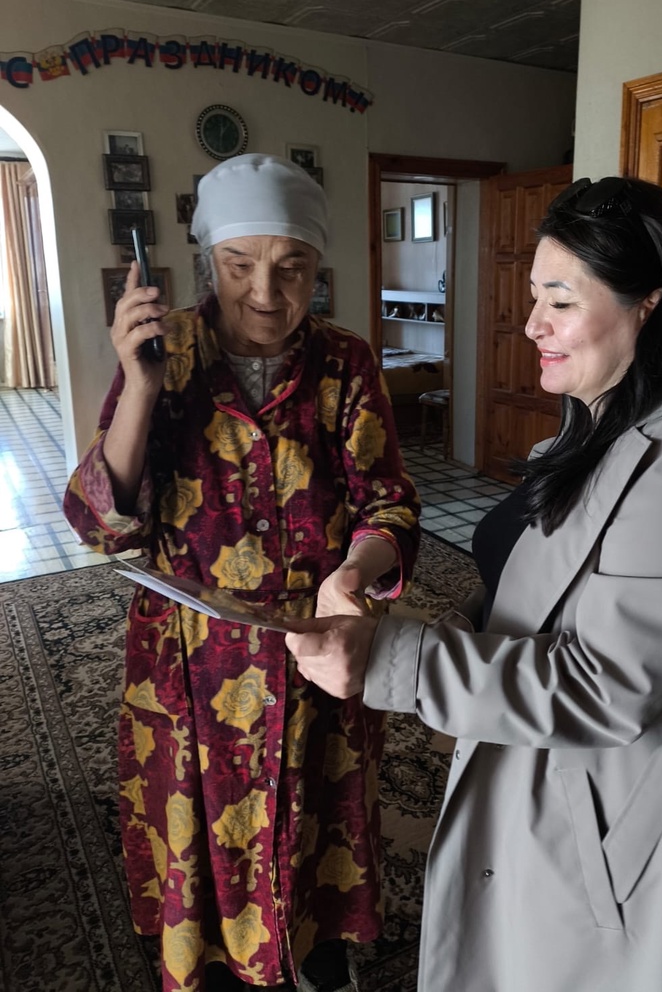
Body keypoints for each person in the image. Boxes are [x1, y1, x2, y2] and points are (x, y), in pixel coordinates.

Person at [284, 176, 662, 992]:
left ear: (648, 304)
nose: (530, 325)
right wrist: (406, 626)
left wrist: (390, 660)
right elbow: (534, 601)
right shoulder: (594, 426)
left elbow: (606, 685)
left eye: (559, 300)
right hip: (541, 777)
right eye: (532, 297)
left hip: (621, 829)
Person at [63, 153, 421, 992]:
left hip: (315, 646)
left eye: (291, 267)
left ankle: (315, 955)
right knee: (203, 826)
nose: (265, 291)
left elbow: (390, 504)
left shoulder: (345, 362)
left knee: (317, 818)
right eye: (238, 265)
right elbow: (102, 522)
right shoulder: (168, 352)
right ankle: (217, 965)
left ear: (317, 267)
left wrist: (352, 574)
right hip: (193, 660)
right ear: (205, 262)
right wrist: (141, 387)